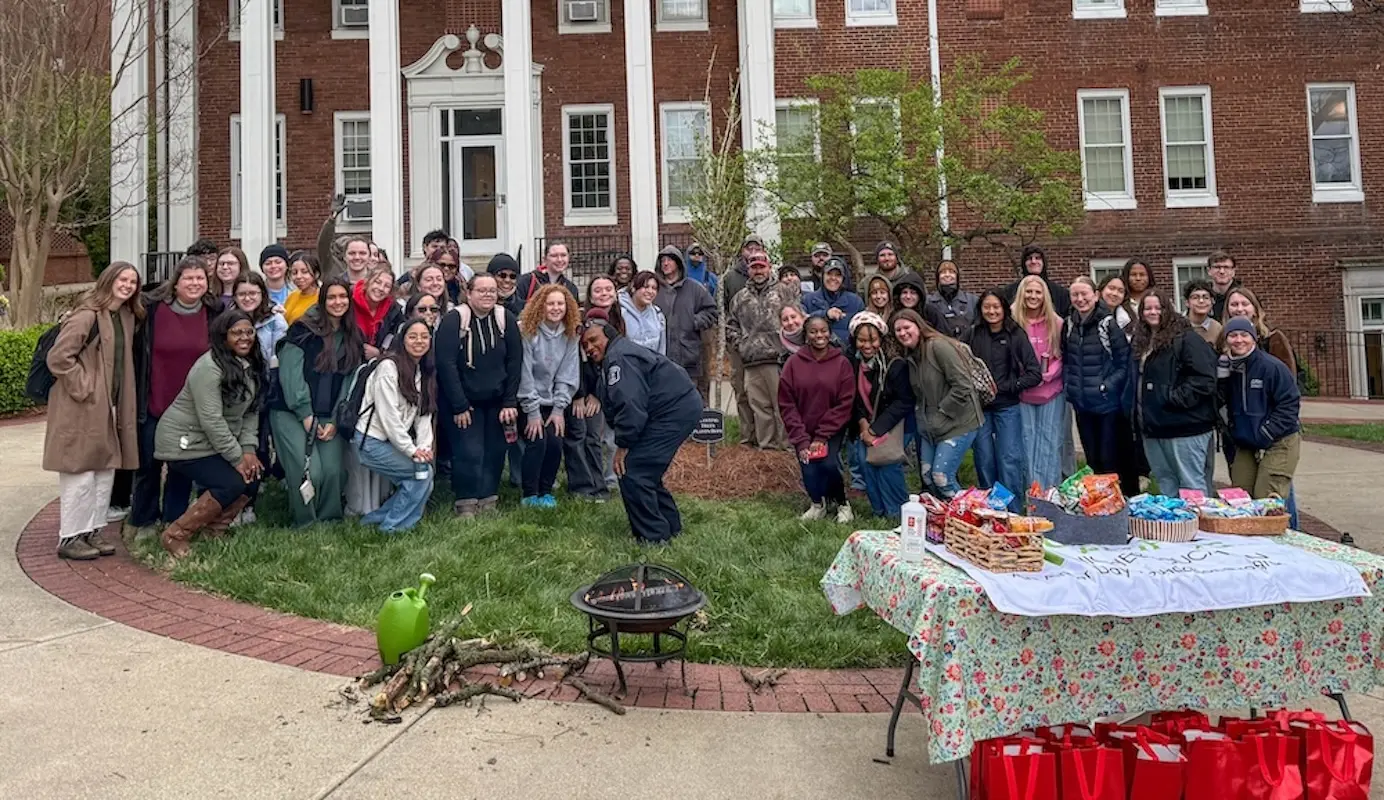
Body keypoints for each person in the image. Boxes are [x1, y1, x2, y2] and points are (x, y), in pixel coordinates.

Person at [44, 262, 143, 560]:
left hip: (111, 405)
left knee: (104, 469)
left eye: (132, 281)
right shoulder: (87, 315)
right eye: (122, 279)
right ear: (109, 280)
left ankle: (93, 529)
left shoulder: (124, 315)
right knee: (80, 470)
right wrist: (86, 386)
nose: (127, 285)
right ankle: (70, 536)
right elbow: (59, 358)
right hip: (82, 405)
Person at [153, 310, 265, 557]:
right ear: (223, 337)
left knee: (253, 475)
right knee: (232, 482)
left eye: (249, 332)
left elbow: (251, 412)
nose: (244, 338)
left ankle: (215, 530)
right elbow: (211, 420)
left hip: (213, 442)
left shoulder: (250, 365)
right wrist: (237, 459)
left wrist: (248, 450)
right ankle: (175, 535)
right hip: (184, 441)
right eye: (236, 333)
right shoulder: (209, 367)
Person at [582, 320, 702, 543]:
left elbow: (630, 405)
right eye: (585, 345)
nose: (589, 347)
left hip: (672, 411)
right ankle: (670, 527)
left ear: (609, 336)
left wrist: (624, 445)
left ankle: (653, 537)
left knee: (633, 472)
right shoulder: (617, 355)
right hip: (674, 408)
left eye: (593, 340)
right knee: (644, 469)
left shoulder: (619, 359)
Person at [129, 256, 216, 540]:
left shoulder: (214, 312)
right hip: (155, 400)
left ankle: (174, 520)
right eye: (188, 278)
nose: (194, 283)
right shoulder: (152, 311)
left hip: (192, 408)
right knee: (148, 465)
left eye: (200, 278)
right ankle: (143, 521)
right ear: (175, 283)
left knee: (182, 467)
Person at [270, 278, 363, 527]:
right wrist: (305, 414)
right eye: (331, 297)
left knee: (333, 471)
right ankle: (306, 522)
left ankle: (329, 519)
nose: (337, 302)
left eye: (343, 297)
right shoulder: (302, 330)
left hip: (328, 413)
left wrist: (334, 420)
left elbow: (349, 382)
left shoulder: (353, 336)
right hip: (291, 410)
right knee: (311, 471)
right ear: (322, 301)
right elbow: (290, 375)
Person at [436, 273, 522, 518]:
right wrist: (459, 405)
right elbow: (446, 364)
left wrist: (509, 400)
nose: (487, 295)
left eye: (492, 291)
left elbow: (515, 362)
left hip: (497, 401)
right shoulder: (455, 320)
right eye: (481, 290)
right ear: (469, 293)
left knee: (496, 450)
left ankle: (488, 498)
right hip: (464, 403)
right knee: (469, 451)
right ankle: (466, 501)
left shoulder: (506, 318)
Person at [1129, 290, 1218, 495]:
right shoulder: (1141, 342)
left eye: (1158, 307)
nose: (1153, 312)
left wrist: (1173, 399)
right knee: (1165, 482)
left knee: (1191, 485)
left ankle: (1197, 526)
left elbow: (1204, 379)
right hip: (1153, 427)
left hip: (1184, 427)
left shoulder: (1186, 339)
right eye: (1148, 308)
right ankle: (1176, 527)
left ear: (1168, 309)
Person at [353, 319, 437, 533]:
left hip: (392, 442)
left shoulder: (422, 371)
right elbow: (388, 418)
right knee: (421, 476)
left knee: (423, 474)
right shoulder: (388, 367)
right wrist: (412, 451)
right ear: (402, 340)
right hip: (370, 442)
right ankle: (393, 527)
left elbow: (424, 416)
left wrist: (424, 448)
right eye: (412, 336)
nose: (419, 341)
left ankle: (376, 520)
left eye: (424, 337)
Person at [963, 290, 1040, 510]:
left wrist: (1007, 387)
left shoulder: (1016, 334)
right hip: (980, 408)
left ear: (1004, 309)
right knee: (984, 458)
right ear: (980, 309)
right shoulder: (972, 334)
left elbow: (1034, 373)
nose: (992, 311)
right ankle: (991, 509)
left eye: (996, 306)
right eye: (987, 307)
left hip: (1008, 406)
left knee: (1009, 458)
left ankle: (1013, 509)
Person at [895, 309, 982, 499]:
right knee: (927, 477)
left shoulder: (938, 346)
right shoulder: (912, 356)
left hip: (958, 423)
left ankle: (970, 516)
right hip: (929, 427)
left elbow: (963, 385)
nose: (903, 333)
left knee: (942, 477)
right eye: (898, 330)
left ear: (919, 326)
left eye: (907, 327)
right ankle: (944, 521)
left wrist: (942, 412)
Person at [779, 315, 856, 523]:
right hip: (803, 428)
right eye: (813, 331)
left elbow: (845, 403)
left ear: (829, 333)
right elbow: (787, 404)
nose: (819, 335)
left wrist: (822, 437)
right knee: (808, 465)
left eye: (823, 330)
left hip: (831, 429)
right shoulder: (793, 364)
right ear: (806, 335)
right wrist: (802, 439)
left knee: (828, 464)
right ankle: (817, 504)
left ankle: (842, 503)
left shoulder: (842, 364)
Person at [1063, 277, 1133, 492]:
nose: (1080, 299)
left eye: (1084, 294)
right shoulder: (1069, 323)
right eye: (1075, 294)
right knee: (1092, 460)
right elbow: (1067, 359)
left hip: (1106, 405)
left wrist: (1106, 386)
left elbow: (1124, 363)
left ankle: (1115, 507)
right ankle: (1096, 508)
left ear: (1095, 295)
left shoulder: (1108, 323)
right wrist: (1070, 387)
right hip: (1082, 405)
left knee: (1108, 460)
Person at [1221, 317, 1301, 500]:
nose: (1239, 340)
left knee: (1267, 499)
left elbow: (1289, 405)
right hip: (1246, 442)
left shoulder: (1271, 367)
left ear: (1254, 339)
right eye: (1233, 335)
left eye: (1244, 335)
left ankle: (1276, 529)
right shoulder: (1228, 369)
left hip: (1279, 440)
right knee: (1240, 500)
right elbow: (1222, 402)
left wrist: (1266, 432)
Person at [517, 284, 582, 507]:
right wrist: (533, 411)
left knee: (555, 442)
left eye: (560, 304)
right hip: (528, 401)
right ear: (541, 306)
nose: (556, 308)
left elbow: (568, 373)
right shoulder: (528, 332)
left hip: (554, 401)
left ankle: (546, 492)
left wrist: (559, 409)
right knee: (537, 441)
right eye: (550, 303)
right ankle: (529, 494)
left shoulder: (571, 334)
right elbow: (524, 373)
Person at [848, 312, 914, 519]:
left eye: (873, 340)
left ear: (881, 339)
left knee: (886, 464)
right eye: (862, 340)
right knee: (864, 462)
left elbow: (904, 401)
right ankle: (879, 511)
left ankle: (896, 512)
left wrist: (876, 430)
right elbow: (853, 398)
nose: (867, 346)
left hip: (895, 424)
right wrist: (863, 426)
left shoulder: (895, 365)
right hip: (865, 424)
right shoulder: (853, 364)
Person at [727, 252, 791, 450]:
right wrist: (742, 344)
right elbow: (731, 326)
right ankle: (767, 448)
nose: (758, 271)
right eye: (754, 267)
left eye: (762, 267)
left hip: (778, 359)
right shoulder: (740, 298)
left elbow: (796, 318)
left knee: (782, 406)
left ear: (769, 267)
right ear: (749, 270)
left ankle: (786, 448)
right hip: (752, 361)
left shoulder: (783, 292)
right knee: (760, 407)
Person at [1012, 275, 1066, 491]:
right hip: (1023, 393)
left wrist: (1049, 374)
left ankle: (1049, 494)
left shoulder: (1057, 322)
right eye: (1029, 291)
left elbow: (1063, 356)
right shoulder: (1013, 321)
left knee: (1049, 444)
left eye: (1038, 292)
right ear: (1021, 294)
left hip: (1051, 392)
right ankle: (1031, 495)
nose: (1033, 296)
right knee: (1026, 444)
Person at [723, 235, 765, 439]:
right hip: (739, 345)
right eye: (749, 248)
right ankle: (747, 435)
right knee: (741, 390)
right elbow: (722, 312)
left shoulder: (771, 278)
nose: (752, 251)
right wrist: (733, 342)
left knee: (765, 394)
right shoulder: (730, 278)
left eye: (757, 248)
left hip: (767, 348)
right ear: (742, 252)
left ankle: (768, 436)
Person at [1220, 286, 1295, 371]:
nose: (1239, 309)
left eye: (1245, 304)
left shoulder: (1273, 337)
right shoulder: (1221, 338)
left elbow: (1287, 373)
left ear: (1255, 309)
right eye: (1234, 304)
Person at [802, 257, 865, 345]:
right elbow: (800, 324)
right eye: (829, 274)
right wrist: (825, 314)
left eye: (838, 275)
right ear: (823, 275)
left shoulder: (855, 302)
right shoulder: (808, 300)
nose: (833, 278)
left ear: (843, 278)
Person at [231, 272, 288, 364]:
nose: (247, 298)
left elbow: (282, 356)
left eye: (253, 293)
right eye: (241, 294)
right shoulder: (228, 321)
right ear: (235, 297)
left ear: (262, 294)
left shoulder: (275, 320)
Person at [1003, 246, 1071, 317]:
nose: (1033, 261)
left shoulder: (1061, 293)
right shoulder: (1009, 291)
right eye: (1029, 258)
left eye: (1037, 258)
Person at [353, 265, 402, 359]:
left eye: (387, 286)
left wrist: (380, 352)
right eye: (377, 282)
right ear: (367, 281)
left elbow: (395, 335)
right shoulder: (350, 301)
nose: (381, 288)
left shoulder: (394, 310)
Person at [923, 259, 978, 339]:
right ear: (938, 278)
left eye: (952, 272)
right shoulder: (928, 303)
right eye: (943, 272)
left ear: (957, 277)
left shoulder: (972, 301)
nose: (947, 275)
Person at [620, 270, 667, 354]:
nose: (650, 291)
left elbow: (662, 349)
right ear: (634, 288)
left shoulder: (658, 314)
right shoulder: (620, 313)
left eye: (654, 288)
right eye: (646, 287)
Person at [283, 251, 321, 325]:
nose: (298, 276)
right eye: (294, 273)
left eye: (304, 272)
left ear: (316, 274)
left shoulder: (322, 297)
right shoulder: (292, 296)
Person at [1183, 279, 1223, 347]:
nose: (1201, 301)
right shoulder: (1177, 327)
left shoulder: (1218, 329)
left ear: (1212, 301)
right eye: (1195, 297)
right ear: (1187, 302)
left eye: (1206, 297)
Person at [1098, 274, 1134, 340]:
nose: (1115, 294)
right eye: (1111, 288)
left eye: (1120, 291)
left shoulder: (1128, 319)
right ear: (1102, 290)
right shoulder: (1090, 315)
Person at [1208, 250, 1240, 322]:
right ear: (1209, 271)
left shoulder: (1244, 296)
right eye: (1217, 267)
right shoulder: (1203, 297)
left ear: (1233, 271)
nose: (1222, 271)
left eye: (1226, 267)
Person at [259, 244, 292, 309]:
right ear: (262, 268)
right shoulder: (257, 292)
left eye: (278, 262)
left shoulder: (297, 289)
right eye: (268, 263)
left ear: (287, 265)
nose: (273, 266)